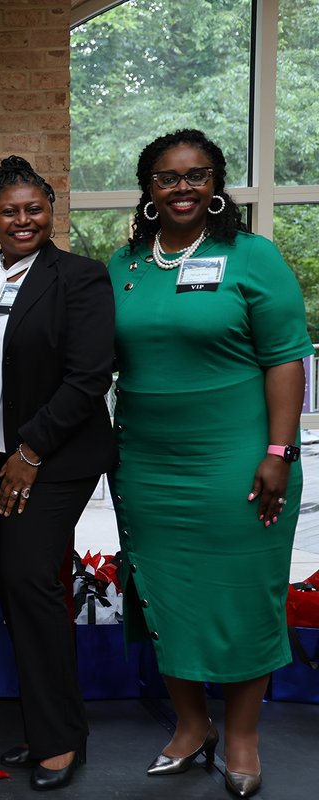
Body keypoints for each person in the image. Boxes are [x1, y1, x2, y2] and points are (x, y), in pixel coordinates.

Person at [108, 129, 311, 799]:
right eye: (168, 177)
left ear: (217, 183)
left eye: (197, 175)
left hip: (240, 461)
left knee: (244, 599)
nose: (183, 187)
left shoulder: (252, 257)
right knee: (166, 594)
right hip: (147, 463)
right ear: (149, 190)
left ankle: (244, 734)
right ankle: (193, 726)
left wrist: (279, 453)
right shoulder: (125, 266)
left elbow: (285, 359)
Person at [0, 156, 115, 792]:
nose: (23, 220)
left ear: (51, 210)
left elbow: (90, 375)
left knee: (33, 586)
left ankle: (62, 740)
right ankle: (50, 725)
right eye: (10, 211)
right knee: (19, 592)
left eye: (34, 209)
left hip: (54, 461)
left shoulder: (79, 277)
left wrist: (31, 452)